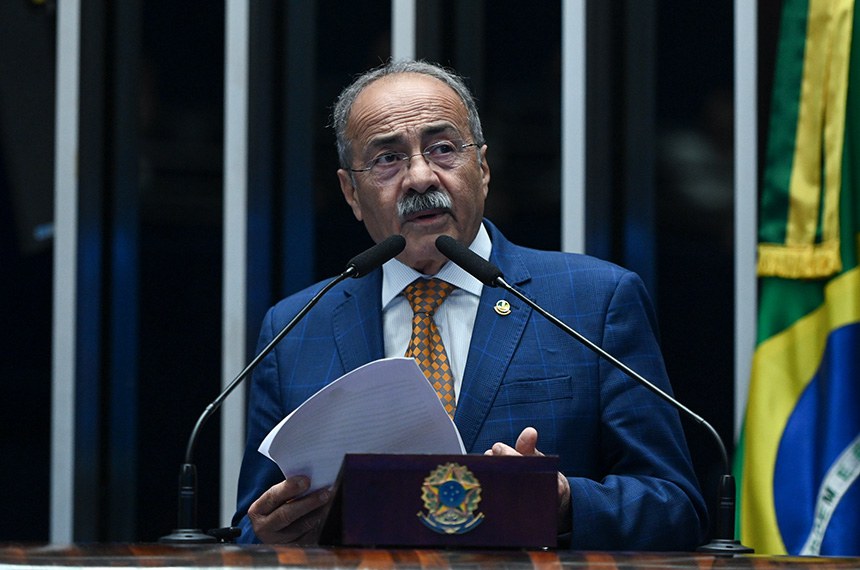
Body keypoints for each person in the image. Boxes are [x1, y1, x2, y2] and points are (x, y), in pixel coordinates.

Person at [232, 59, 708, 550]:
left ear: (481, 169)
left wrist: (564, 502)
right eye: (387, 159)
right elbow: (250, 525)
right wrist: (268, 533)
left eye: (442, 149)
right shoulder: (296, 327)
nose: (420, 177)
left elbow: (675, 506)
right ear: (351, 192)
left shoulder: (594, 300)